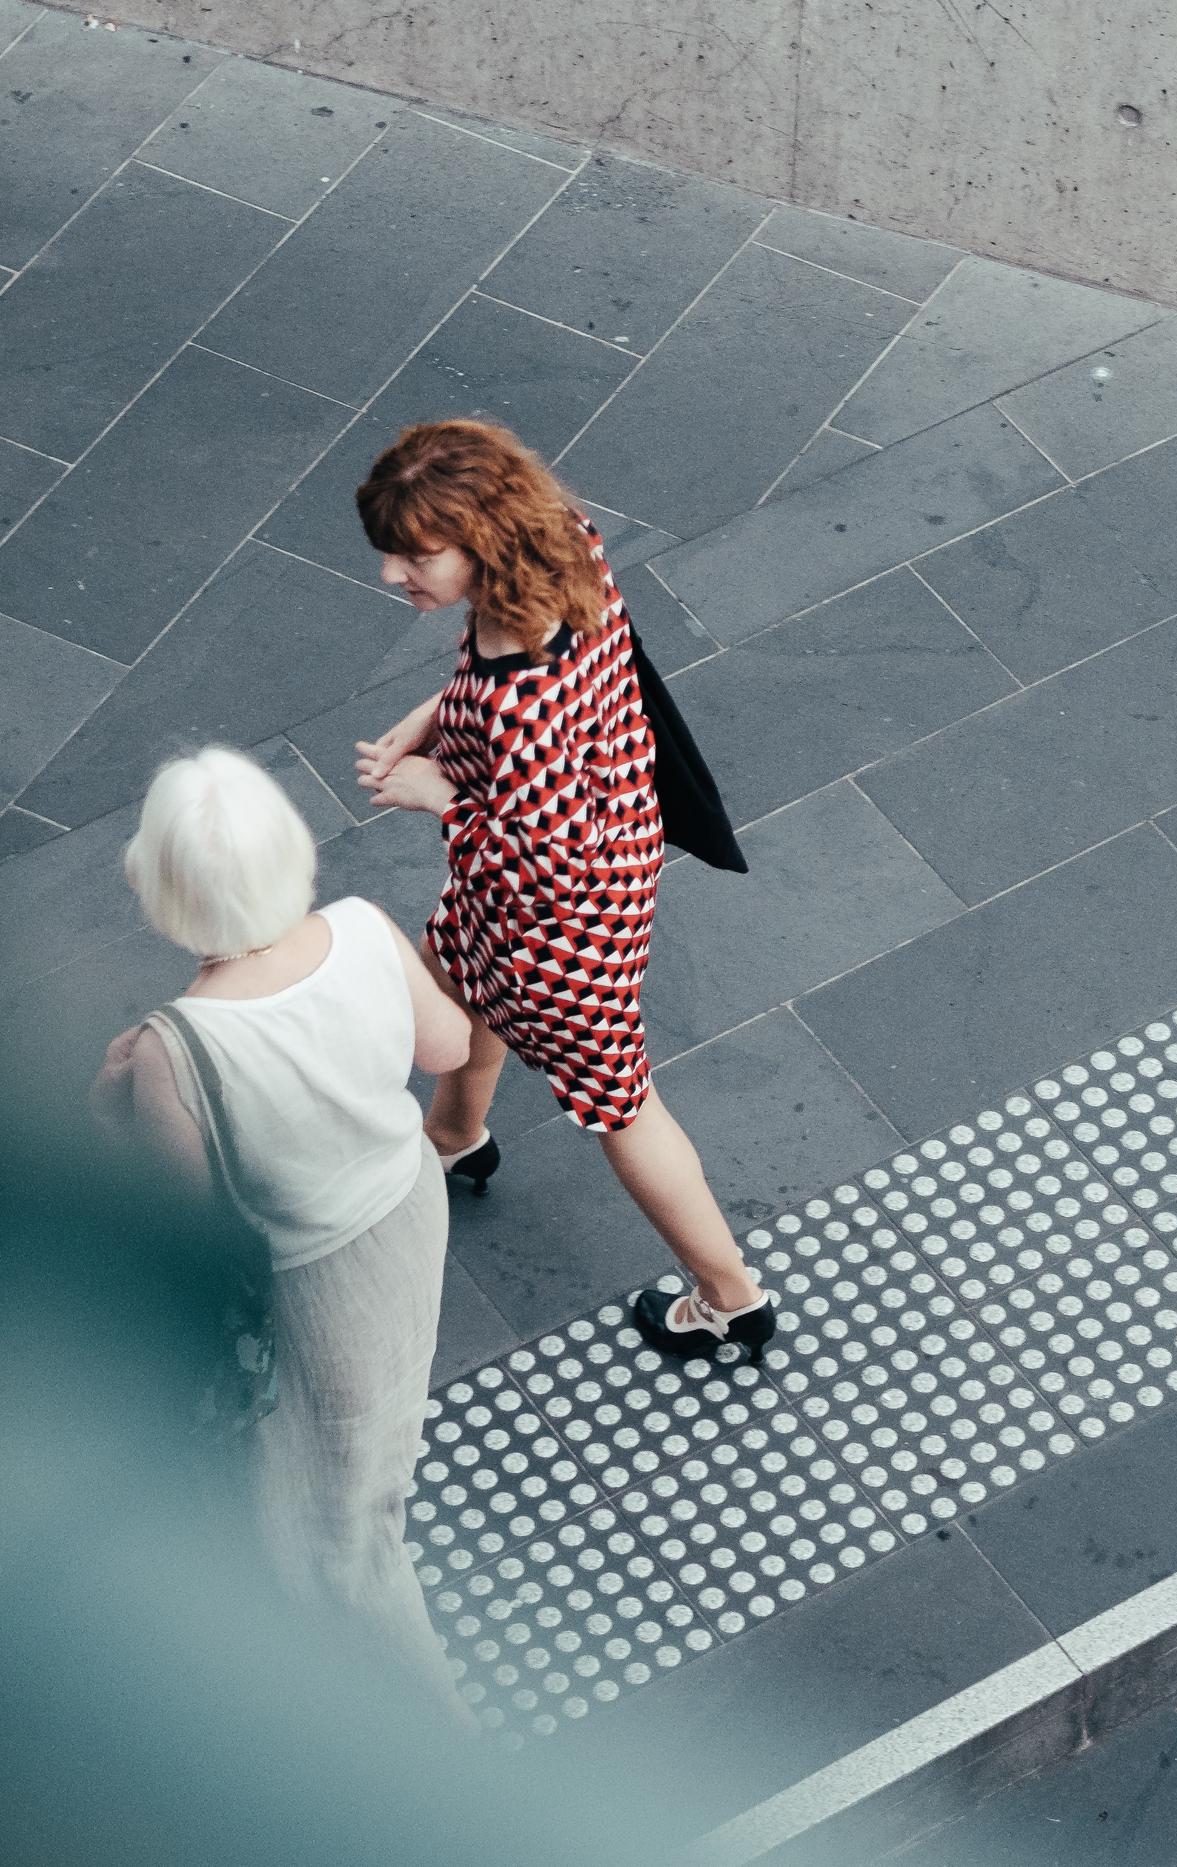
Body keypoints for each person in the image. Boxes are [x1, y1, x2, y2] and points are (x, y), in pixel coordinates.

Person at [350, 418, 774, 1364]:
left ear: (481, 541)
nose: (391, 576)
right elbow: (497, 684)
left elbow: (543, 854)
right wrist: (433, 719)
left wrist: (441, 793)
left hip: (559, 925)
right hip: (609, 840)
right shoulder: (565, 546)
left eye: (413, 556)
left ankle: (730, 1296)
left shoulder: (518, 703)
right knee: (455, 973)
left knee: (619, 1101)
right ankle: (455, 1137)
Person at [89, 746, 476, 1723]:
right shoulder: (361, 929)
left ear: (161, 889)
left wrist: (112, 1107)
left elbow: (187, 1220)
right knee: (379, 1424)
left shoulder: (174, 1048)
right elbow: (450, 1046)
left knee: (348, 1526)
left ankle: (428, 1722)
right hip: (407, 1211)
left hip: (318, 1283)